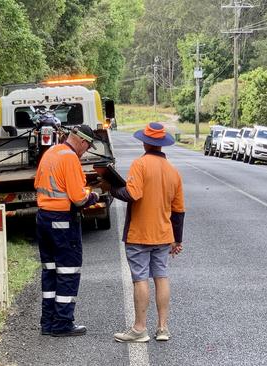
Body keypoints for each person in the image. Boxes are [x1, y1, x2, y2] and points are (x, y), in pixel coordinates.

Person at [110, 122, 185, 343]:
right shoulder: (173, 172)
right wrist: (177, 240)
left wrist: (111, 189)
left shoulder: (139, 165)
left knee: (140, 279)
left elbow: (132, 194)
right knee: (161, 277)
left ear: (145, 142)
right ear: (161, 144)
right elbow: (178, 211)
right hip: (163, 235)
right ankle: (163, 328)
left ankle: (139, 328)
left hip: (139, 234)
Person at [34, 124, 100, 337]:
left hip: (43, 218)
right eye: (87, 147)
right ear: (81, 141)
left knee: (50, 271)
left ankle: (48, 322)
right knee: (68, 271)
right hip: (62, 221)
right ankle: (62, 324)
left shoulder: (51, 152)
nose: (86, 151)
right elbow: (78, 198)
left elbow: (40, 184)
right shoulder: (70, 158)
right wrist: (94, 196)